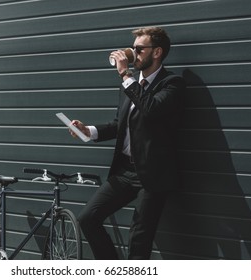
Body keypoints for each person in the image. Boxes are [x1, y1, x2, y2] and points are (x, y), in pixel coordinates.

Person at [70, 26, 185, 259]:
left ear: (157, 52)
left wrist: (125, 76)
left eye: (139, 49)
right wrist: (88, 131)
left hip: (152, 174)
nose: (133, 53)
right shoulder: (129, 86)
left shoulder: (172, 84)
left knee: (139, 238)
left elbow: (151, 110)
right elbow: (119, 124)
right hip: (124, 171)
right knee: (88, 218)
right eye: (133, 48)